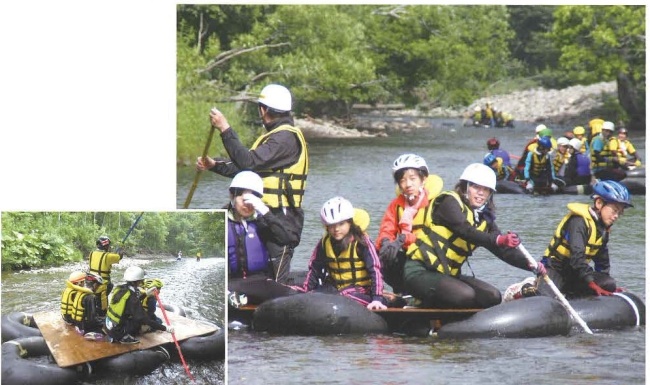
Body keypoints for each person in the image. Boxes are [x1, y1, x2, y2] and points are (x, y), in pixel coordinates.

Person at [197, 84, 308, 284]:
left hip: (280, 219)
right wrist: (214, 165)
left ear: (263, 110)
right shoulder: (275, 137)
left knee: (275, 279)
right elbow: (247, 169)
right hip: (260, 213)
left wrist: (225, 129)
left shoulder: (285, 139)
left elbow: (248, 162)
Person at [403, 163, 545, 309]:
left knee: (493, 296)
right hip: (420, 272)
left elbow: (501, 249)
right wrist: (498, 239)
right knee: (465, 296)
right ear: (465, 187)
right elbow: (464, 230)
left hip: (447, 276)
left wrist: (531, 264)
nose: (481, 193)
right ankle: (416, 301)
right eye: (476, 187)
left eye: (486, 190)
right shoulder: (448, 202)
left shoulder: (485, 218)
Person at [537, 180, 632, 298]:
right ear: (598, 203)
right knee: (545, 299)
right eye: (614, 210)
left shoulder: (602, 229)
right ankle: (526, 288)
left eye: (620, 212)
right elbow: (577, 257)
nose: (616, 216)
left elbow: (602, 262)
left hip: (576, 274)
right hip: (556, 269)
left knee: (609, 283)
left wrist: (604, 286)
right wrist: (592, 284)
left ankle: (574, 296)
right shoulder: (578, 222)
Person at [226, 170, 299, 305]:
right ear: (232, 195)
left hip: (260, 282)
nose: (247, 206)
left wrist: (264, 210)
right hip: (231, 283)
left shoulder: (262, 222)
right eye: (244, 200)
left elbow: (286, 239)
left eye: (251, 202)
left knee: (293, 296)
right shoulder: (223, 221)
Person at [303, 197, 387, 310]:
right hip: (335, 291)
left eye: (341, 224)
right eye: (332, 225)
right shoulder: (324, 243)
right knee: (318, 294)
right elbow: (314, 269)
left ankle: (388, 300)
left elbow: (375, 270)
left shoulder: (361, 242)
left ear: (350, 223)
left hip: (362, 291)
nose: (336, 229)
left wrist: (377, 298)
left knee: (344, 295)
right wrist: (305, 292)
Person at [375, 154, 440, 295]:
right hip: (408, 255)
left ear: (423, 179)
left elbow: (432, 236)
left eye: (412, 178)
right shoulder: (396, 205)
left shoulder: (436, 204)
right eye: (402, 180)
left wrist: (403, 239)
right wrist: (386, 242)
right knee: (382, 253)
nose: (408, 184)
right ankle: (402, 292)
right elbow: (387, 227)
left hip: (430, 258)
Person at [105, 266, 173, 344]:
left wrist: (146, 294)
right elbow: (144, 319)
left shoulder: (120, 289)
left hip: (109, 326)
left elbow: (129, 302)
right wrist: (165, 328)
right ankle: (124, 337)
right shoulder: (131, 297)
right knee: (140, 322)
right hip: (118, 332)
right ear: (138, 281)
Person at [60, 271, 105, 339]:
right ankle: (89, 332)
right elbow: (91, 318)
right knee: (105, 326)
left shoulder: (79, 292)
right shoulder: (90, 297)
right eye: (98, 285)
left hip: (74, 320)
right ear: (95, 285)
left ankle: (81, 328)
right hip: (83, 324)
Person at [88, 235, 123, 315]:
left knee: (97, 295)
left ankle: (96, 305)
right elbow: (119, 256)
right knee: (110, 286)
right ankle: (103, 310)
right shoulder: (108, 256)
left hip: (91, 280)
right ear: (106, 246)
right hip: (103, 281)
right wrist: (120, 248)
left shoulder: (91, 253)